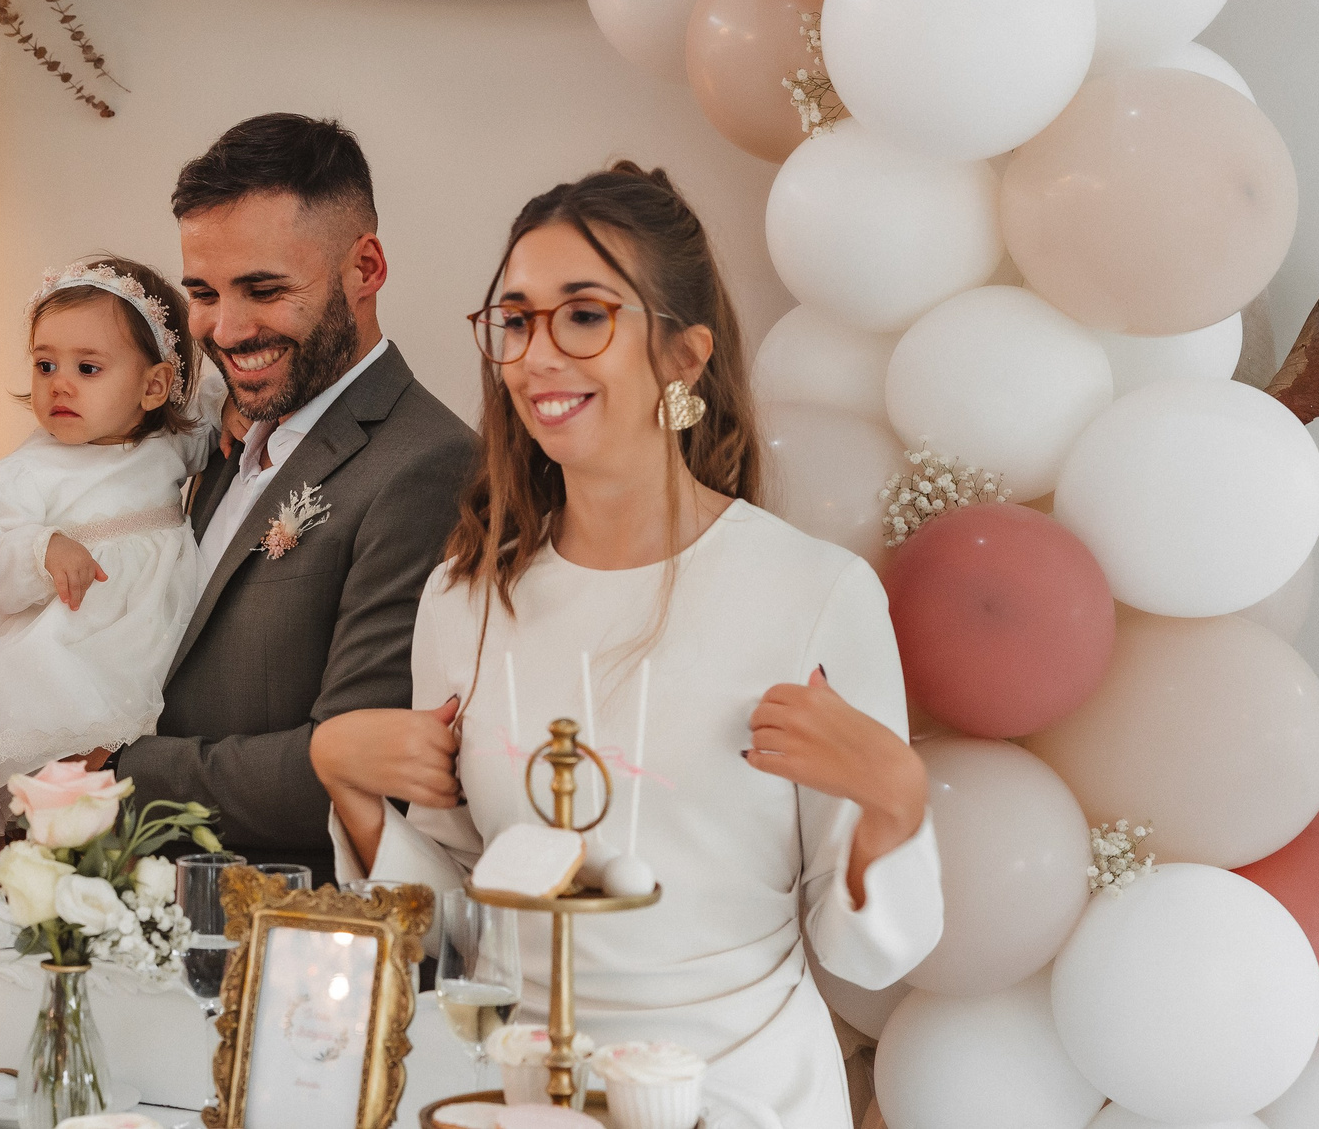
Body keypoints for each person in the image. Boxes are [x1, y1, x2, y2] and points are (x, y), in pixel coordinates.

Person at [310, 163, 942, 1129]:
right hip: (514, 1092)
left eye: (585, 315)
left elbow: (867, 960)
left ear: (683, 355)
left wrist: (894, 799)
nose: (535, 354)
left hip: (733, 1097)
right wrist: (352, 790)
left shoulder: (811, 594)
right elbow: (464, 929)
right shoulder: (465, 598)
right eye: (515, 320)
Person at [106, 114, 475, 881]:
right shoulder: (214, 437)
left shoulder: (426, 463)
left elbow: (354, 766)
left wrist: (113, 774)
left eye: (265, 289)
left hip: (288, 935)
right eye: (202, 292)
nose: (226, 328)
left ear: (365, 268)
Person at [0, 256, 218, 837]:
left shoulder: (170, 445)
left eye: (88, 367)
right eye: (45, 365)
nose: (59, 383)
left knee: (145, 804)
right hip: (68, 656)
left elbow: (219, 414)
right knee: (72, 802)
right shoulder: (27, 472)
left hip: (155, 644)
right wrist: (42, 549)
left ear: (153, 387)